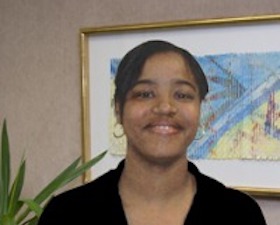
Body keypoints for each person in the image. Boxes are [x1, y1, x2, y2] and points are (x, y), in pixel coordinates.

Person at [38, 40, 267, 225]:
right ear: (118, 109)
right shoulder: (67, 214)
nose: (165, 107)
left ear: (201, 110)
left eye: (182, 95)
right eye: (145, 94)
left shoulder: (239, 214)